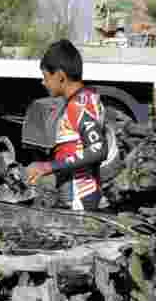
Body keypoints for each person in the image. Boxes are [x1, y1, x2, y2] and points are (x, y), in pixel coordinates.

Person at [25, 40, 107, 211]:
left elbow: (98, 149)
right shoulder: (78, 101)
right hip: (73, 196)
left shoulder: (80, 105)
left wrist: (48, 167)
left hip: (81, 199)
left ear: (60, 76)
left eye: (46, 77)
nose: (43, 82)